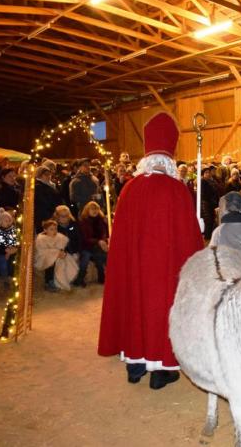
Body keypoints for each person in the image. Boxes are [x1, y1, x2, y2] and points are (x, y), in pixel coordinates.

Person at [98, 111, 204, 390]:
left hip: (135, 268)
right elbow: (190, 241)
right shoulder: (177, 190)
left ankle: (135, 365)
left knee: (134, 303)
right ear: (169, 158)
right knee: (162, 309)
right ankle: (161, 372)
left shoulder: (129, 189)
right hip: (165, 271)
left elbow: (120, 238)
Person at [34, 220, 78, 291]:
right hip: (43, 257)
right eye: (51, 229)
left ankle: (63, 280)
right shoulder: (41, 239)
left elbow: (62, 248)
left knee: (65, 260)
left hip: (57, 256)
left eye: (55, 229)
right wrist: (56, 253)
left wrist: (62, 252)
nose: (54, 231)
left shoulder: (60, 237)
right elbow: (41, 251)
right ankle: (48, 282)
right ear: (45, 230)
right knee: (51, 261)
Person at [75, 201, 108, 287]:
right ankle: (80, 279)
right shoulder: (83, 222)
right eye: (92, 209)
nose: (95, 211)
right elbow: (85, 238)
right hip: (87, 246)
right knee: (85, 258)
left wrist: (103, 241)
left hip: (98, 245)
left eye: (96, 209)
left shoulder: (101, 220)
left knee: (101, 256)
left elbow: (105, 233)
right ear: (87, 210)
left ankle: (102, 277)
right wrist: (99, 241)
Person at [34, 165, 63, 233]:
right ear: (39, 175)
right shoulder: (38, 186)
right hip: (46, 216)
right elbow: (43, 202)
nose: (48, 176)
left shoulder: (51, 185)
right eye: (46, 174)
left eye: (49, 174)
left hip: (53, 215)